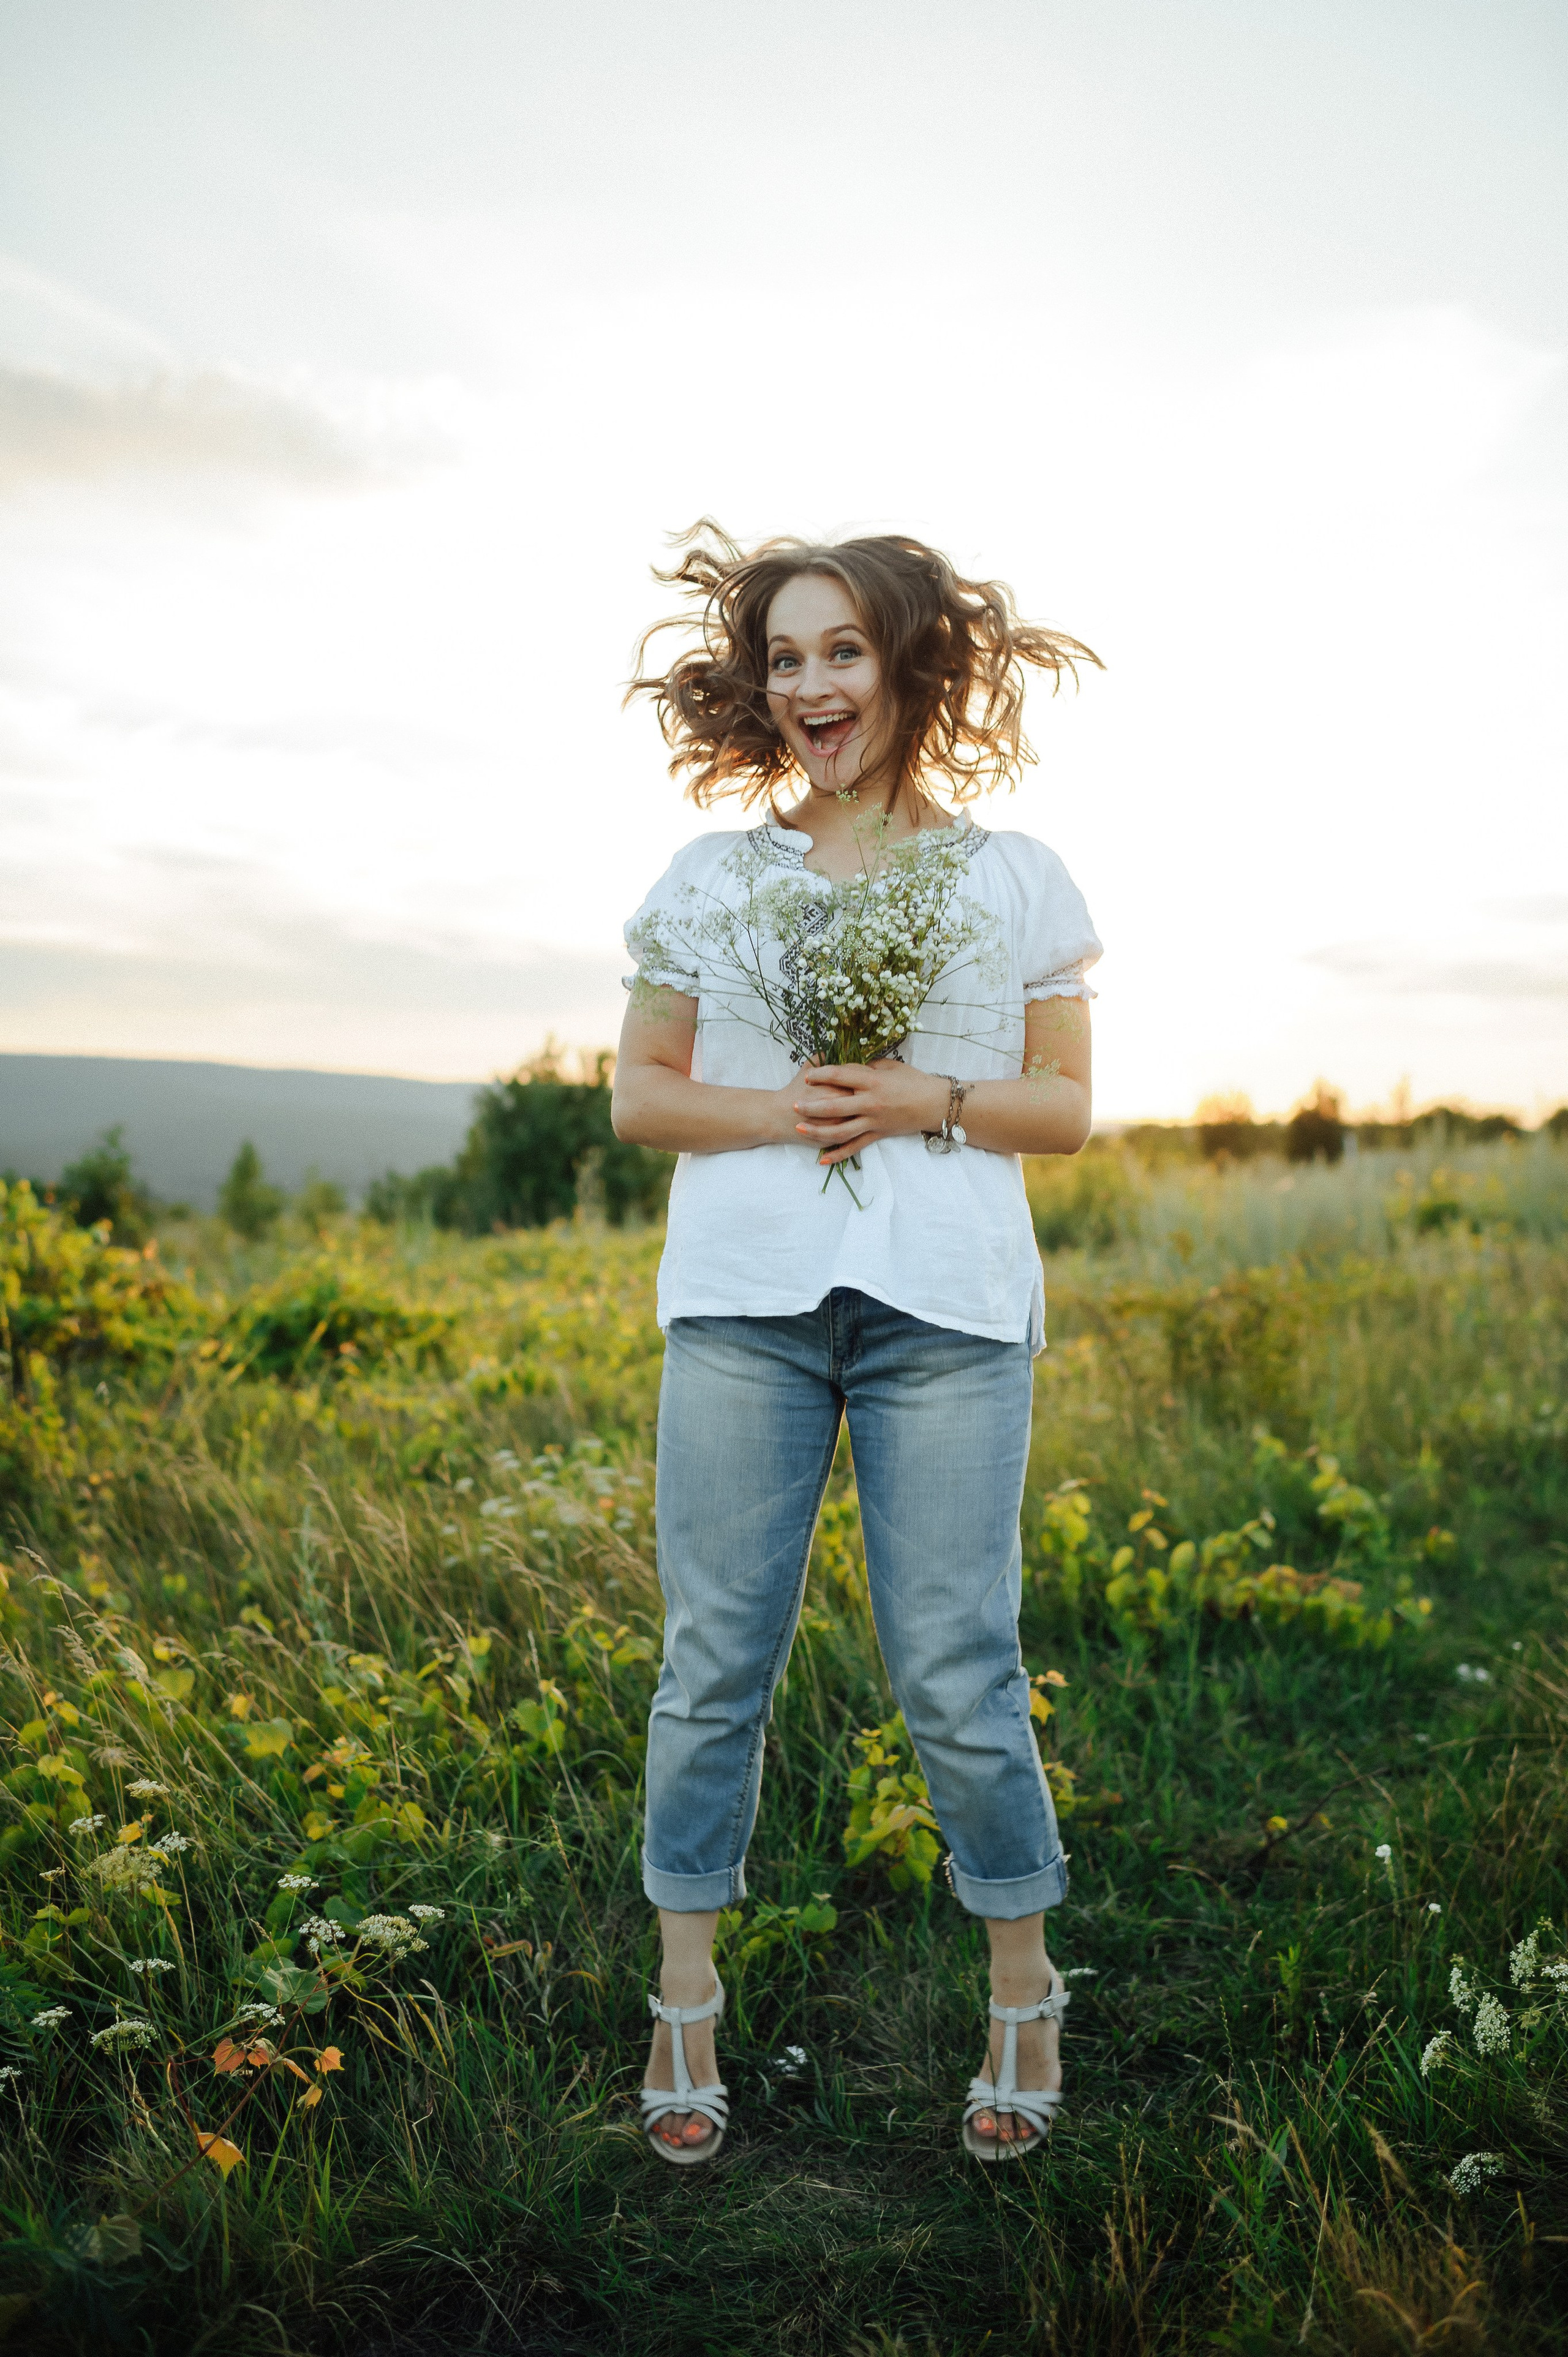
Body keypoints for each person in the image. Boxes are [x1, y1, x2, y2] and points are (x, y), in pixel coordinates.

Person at [612, 521, 1102, 2165]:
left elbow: (1068, 1109)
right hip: (745, 1308)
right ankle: (686, 2001)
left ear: (907, 666)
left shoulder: (1015, 875)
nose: (812, 685)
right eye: (786, 659)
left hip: (948, 1313)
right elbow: (639, 1096)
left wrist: (927, 1101)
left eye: (842, 651)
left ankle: (1023, 1988)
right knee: (712, 1668)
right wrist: (791, 1108)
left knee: (959, 1669)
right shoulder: (713, 879)